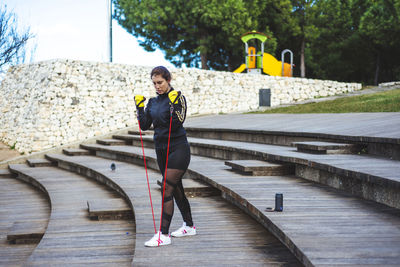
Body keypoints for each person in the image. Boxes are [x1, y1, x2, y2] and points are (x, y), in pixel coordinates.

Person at [135, 66, 196, 247]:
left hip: (178, 148)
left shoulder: (177, 97)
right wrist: (139, 108)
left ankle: (163, 234)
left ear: (168, 80)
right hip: (161, 149)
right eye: (154, 83)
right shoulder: (153, 102)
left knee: (166, 188)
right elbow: (145, 125)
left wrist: (175, 103)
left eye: (160, 82)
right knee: (176, 189)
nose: (157, 86)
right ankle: (190, 226)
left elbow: (179, 121)